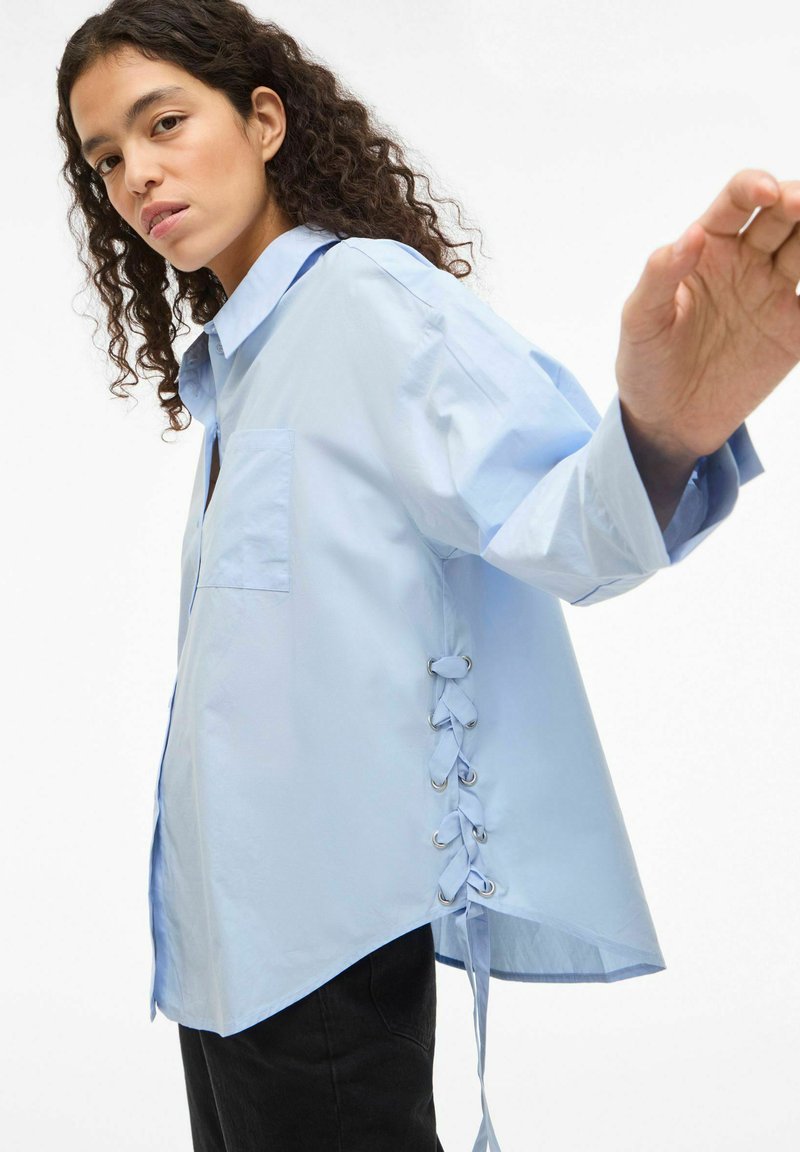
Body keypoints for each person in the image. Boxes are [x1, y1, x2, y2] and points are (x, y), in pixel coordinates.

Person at [57, 2, 799, 1150]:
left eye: (164, 124)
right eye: (106, 157)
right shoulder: (242, 368)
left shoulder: (364, 300)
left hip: (320, 950)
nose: (137, 175)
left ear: (263, 121)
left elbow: (557, 525)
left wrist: (663, 428)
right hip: (220, 953)